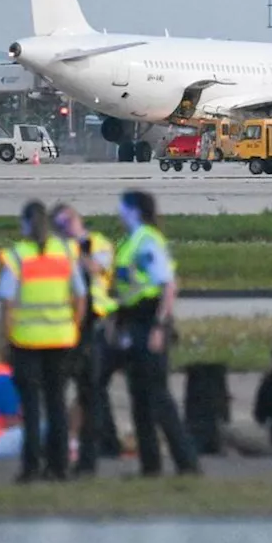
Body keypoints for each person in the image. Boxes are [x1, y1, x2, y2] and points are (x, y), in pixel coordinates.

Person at [0, 200, 86, 483]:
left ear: (24, 224)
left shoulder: (18, 256)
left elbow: (7, 302)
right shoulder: (66, 252)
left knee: (32, 408)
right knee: (57, 404)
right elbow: (80, 297)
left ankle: (32, 467)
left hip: (26, 341)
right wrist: (73, 325)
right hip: (60, 339)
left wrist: (4, 338)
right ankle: (59, 467)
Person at [112, 190, 200, 477]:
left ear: (134, 210)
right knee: (139, 397)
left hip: (148, 321)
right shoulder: (130, 240)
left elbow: (168, 285)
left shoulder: (147, 240)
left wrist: (159, 326)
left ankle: (187, 462)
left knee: (158, 396)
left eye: (122, 208)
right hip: (132, 320)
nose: (118, 213)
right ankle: (150, 465)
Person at [51, 203, 123, 475]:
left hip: (99, 320)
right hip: (72, 323)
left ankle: (104, 443)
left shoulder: (97, 243)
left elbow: (98, 268)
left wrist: (76, 249)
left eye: (68, 221)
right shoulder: (59, 248)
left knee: (95, 386)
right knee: (93, 388)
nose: (65, 227)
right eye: (60, 224)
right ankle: (104, 441)